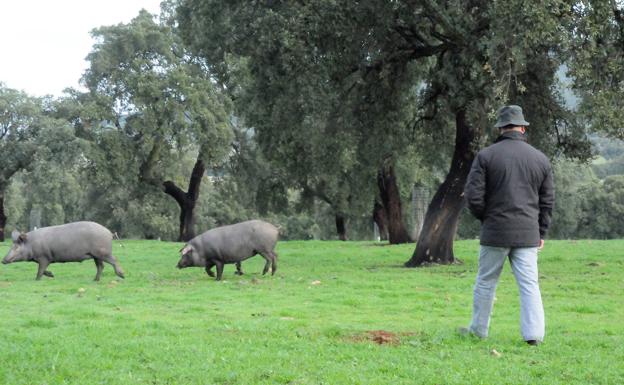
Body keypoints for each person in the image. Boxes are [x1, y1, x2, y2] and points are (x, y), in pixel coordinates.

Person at [460, 105, 555, 345]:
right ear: (522, 128)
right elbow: (547, 201)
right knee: (529, 285)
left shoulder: (486, 156)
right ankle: (534, 336)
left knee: (485, 282)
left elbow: (472, 196)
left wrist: (487, 218)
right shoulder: (540, 159)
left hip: (495, 231)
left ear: (501, 128)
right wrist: (541, 231)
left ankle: (478, 331)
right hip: (527, 233)